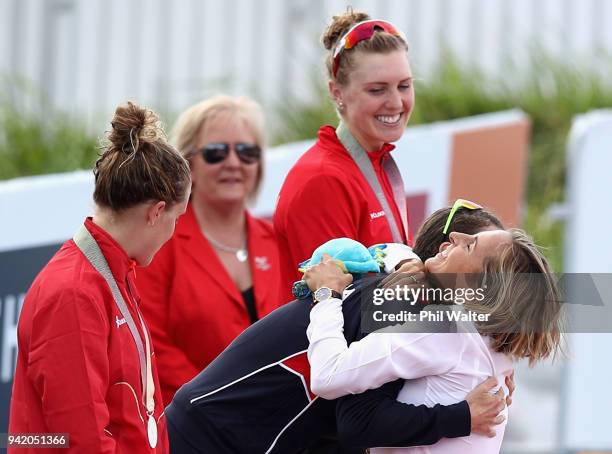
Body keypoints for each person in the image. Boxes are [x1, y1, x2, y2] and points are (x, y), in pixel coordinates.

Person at [165, 204, 514, 453]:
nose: (450, 241)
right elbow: (357, 420)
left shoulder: (429, 315)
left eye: (468, 244)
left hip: (229, 430)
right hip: (209, 432)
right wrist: (461, 416)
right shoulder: (400, 302)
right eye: (460, 242)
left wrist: (498, 367)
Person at [8, 102, 191, 453]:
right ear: (156, 213)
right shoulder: (75, 291)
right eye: (177, 218)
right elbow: (82, 438)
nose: (175, 231)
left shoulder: (113, 271)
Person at [305, 227, 563, 453]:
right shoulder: (491, 349)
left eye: (469, 244)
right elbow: (391, 250)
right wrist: (406, 260)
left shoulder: (446, 328)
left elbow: (328, 375)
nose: (454, 235)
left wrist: (327, 295)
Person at [137, 95, 281, 405]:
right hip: (189, 424)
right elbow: (149, 343)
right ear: (186, 163)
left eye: (246, 152)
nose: (233, 163)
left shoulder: (277, 240)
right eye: (216, 153)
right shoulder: (158, 239)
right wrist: (218, 401)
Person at [274, 9, 416, 299]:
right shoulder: (323, 179)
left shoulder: (377, 160)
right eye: (377, 90)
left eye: (404, 86)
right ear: (337, 92)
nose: (396, 102)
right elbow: (340, 305)